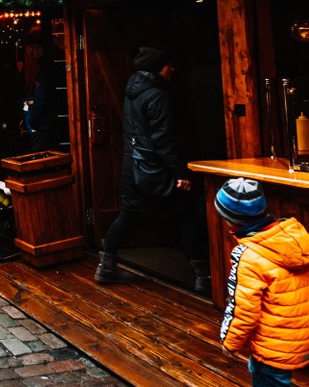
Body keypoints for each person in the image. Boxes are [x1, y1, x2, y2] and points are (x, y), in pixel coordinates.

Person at [95, 47, 210, 294]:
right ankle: (203, 276)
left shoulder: (133, 91)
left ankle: (106, 266)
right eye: (169, 64)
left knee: (128, 214)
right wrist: (180, 173)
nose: (173, 69)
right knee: (187, 213)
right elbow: (163, 139)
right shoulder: (157, 94)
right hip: (156, 169)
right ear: (158, 67)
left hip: (133, 166)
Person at [215, 178, 309, 387]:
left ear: (230, 220)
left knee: (268, 380)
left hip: (272, 345)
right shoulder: (296, 237)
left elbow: (243, 309)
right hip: (300, 336)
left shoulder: (248, 255)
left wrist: (230, 342)